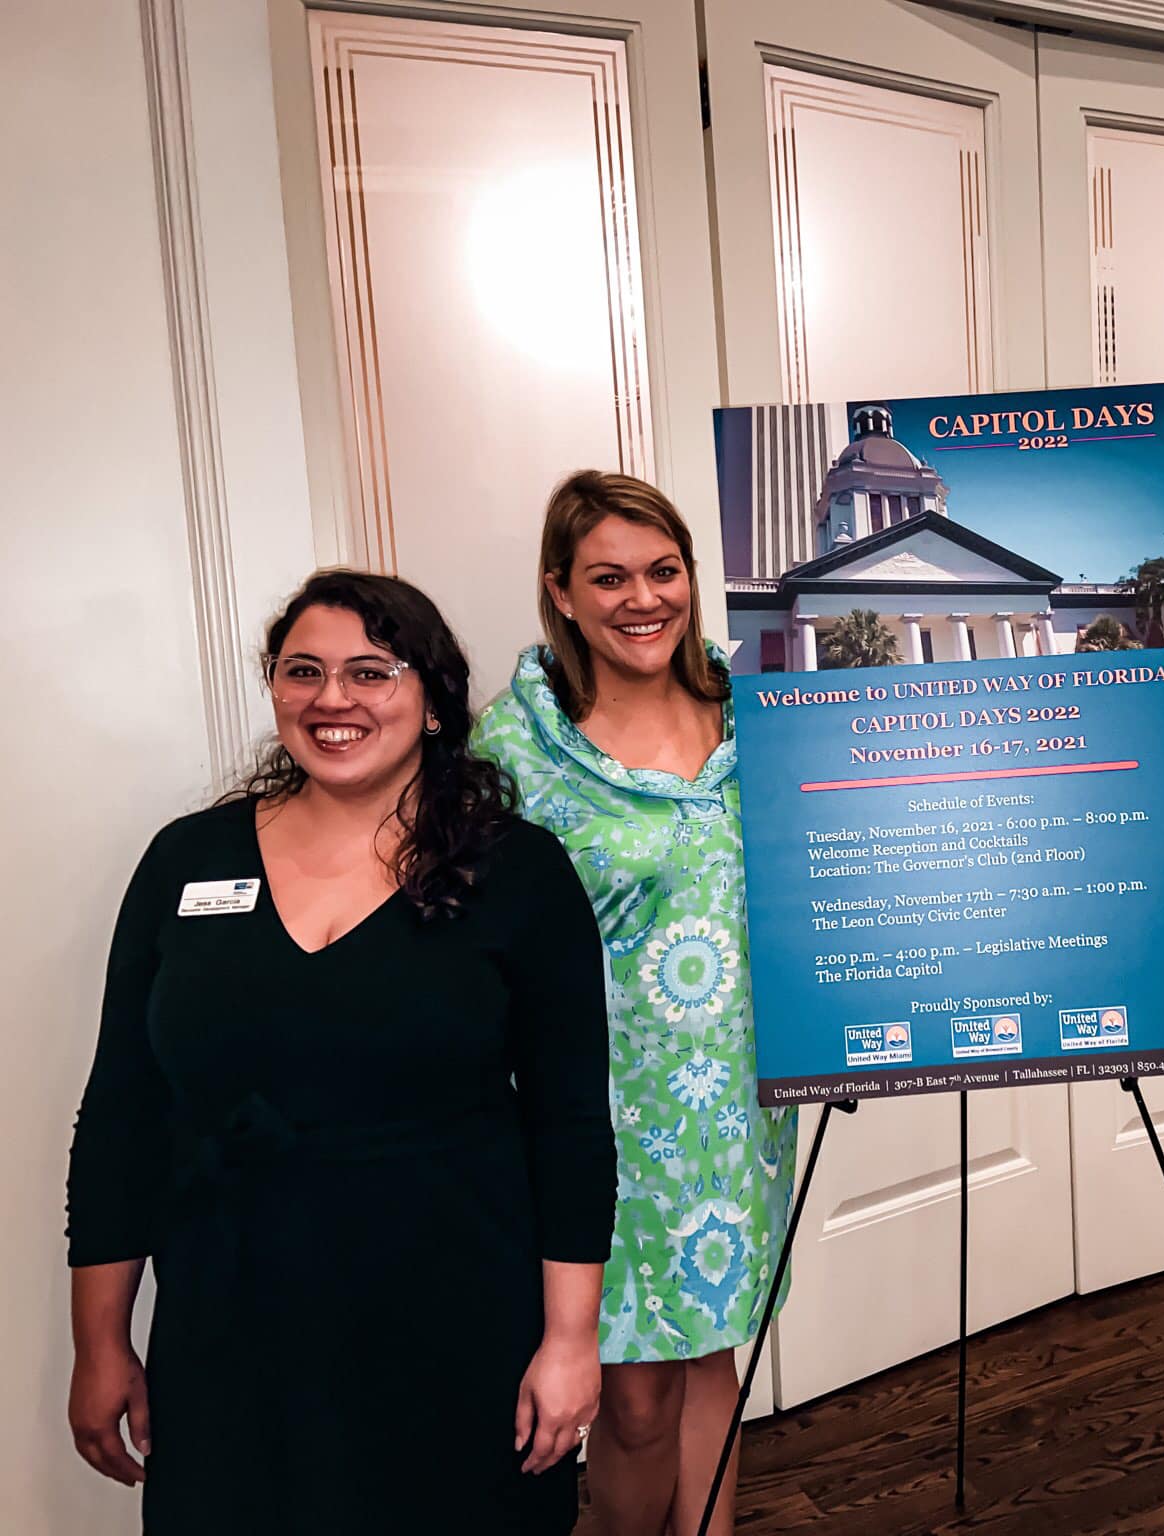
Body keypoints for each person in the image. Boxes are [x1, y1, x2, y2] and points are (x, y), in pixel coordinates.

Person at [65, 572, 613, 1535]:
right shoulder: (185, 862)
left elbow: (569, 1123)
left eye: (371, 671)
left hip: (453, 1319)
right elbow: (121, 1114)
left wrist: (571, 1341)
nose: (333, 699)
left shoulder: (517, 871)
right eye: (303, 671)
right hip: (231, 1324)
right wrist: (99, 1340)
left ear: (435, 700)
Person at [473, 471, 797, 1536]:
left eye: (662, 571)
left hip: (741, 1097)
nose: (640, 598)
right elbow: (472, 935)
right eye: (606, 577)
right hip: (602, 1112)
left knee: (714, 1354)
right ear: (559, 592)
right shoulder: (514, 750)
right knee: (635, 1393)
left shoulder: (762, 713)